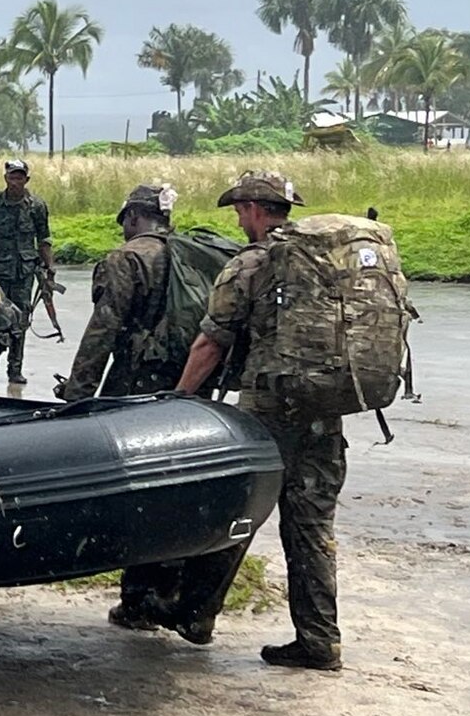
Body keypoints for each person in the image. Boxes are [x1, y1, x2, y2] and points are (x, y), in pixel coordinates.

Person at [175, 170, 345, 671]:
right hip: (323, 411)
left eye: (239, 210)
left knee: (235, 513)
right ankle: (319, 638)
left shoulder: (251, 264)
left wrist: (181, 398)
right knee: (312, 525)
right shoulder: (323, 263)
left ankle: (196, 615)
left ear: (252, 209)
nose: (238, 219)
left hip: (267, 413)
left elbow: (210, 343)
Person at [61, 182, 245, 642]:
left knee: (137, 489)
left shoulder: (128, 259)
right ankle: (178, 593)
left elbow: (102, 331)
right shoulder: (192, 254)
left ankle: (138, 599)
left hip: (139, 386)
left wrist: (79, 394)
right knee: (180, 485)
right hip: (191, 382)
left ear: (133, 217)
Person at [0, 158, 53, 384]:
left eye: (20, 177)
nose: (15, 182)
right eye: (12, 177)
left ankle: (15, 369)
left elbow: (43, 239)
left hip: (23, 273)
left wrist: (49, 268)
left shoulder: (36, 206)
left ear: (27, 179)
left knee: (20, 321)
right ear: (5, 178)